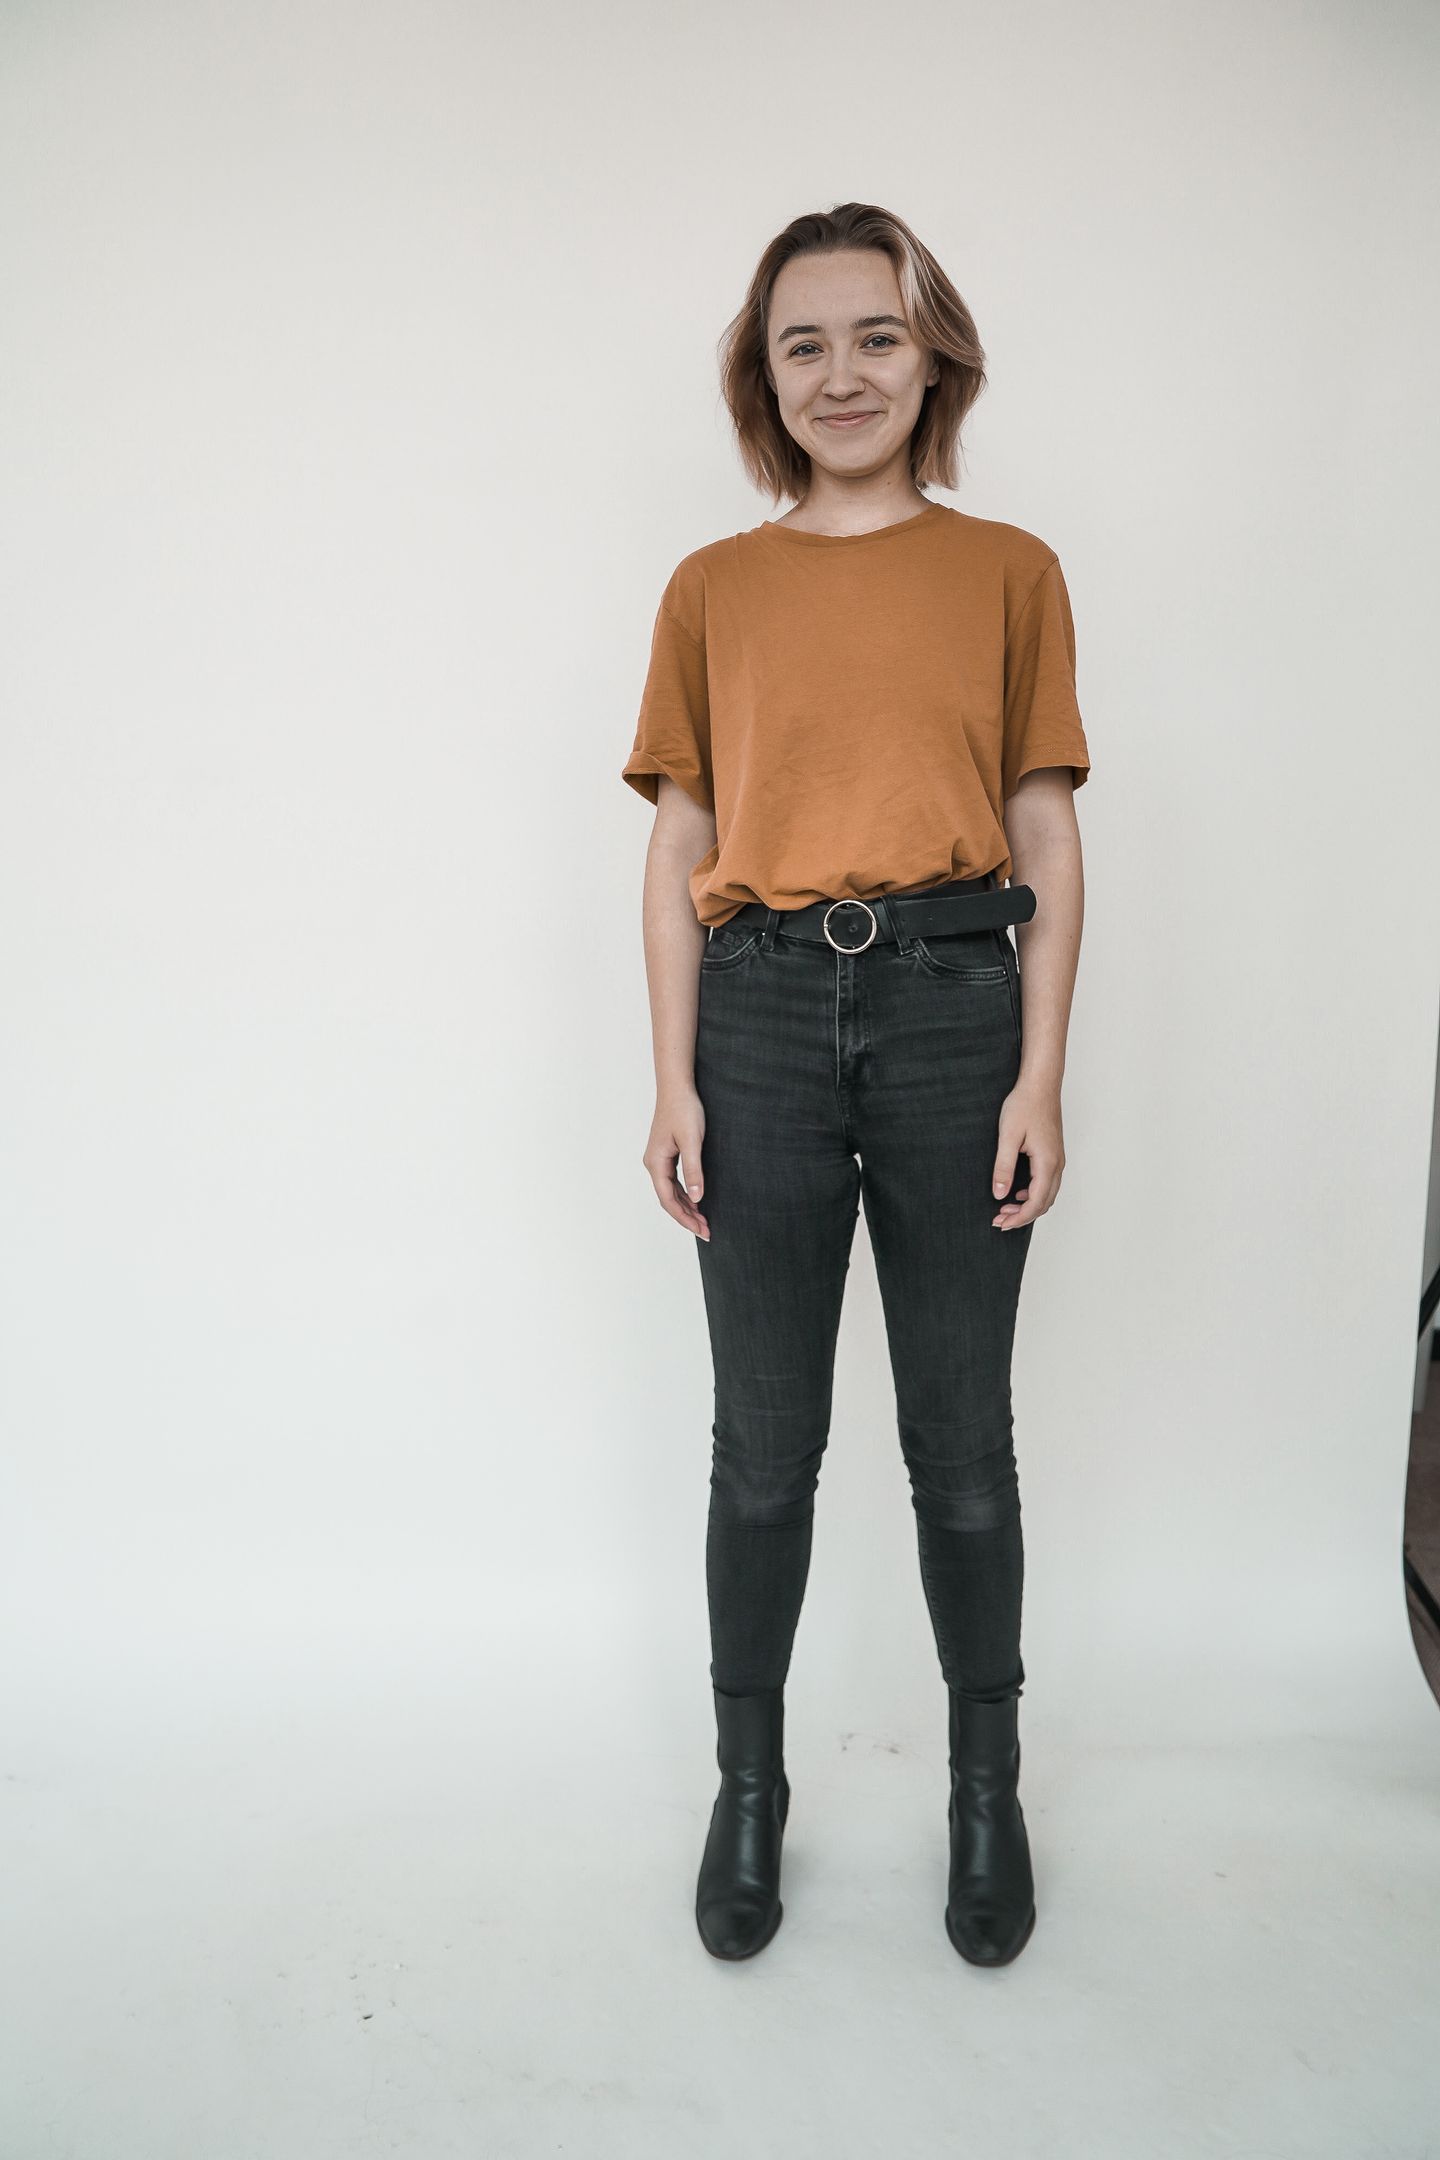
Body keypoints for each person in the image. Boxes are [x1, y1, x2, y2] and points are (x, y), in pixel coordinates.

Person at [619, 201, 1090, 1967]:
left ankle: (986, 1791)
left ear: (933, 357)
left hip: (959, 1007)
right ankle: (751, 1791)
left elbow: (1046, 829)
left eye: (876, 336)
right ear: (765, 376)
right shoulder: (712, 589)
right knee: (763, 1447)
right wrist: (672, 1079)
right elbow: (680, 843)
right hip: (754, 1017)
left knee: (962, 1445)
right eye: (802, 343)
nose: (842, 373)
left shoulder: (1011, 571)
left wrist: (1041, 1074)